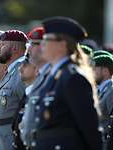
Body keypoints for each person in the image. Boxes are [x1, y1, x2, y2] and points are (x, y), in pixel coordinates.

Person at [31, 16, 102, 150]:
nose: (42, 44)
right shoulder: (55, 75)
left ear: (62, 44)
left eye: (47, 39)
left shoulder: (73, 77)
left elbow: (89, 126)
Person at [0, 30, 27, 150]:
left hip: (11, 138)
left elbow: (26, 108)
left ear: (15, 48)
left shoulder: (21, 71)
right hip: (1, 136)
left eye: (3, 45)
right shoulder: (11, 71)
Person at [19, 27, 50, 149]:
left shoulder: (53, 76)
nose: (29, 48)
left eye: (34, 44)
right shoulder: (41, 76)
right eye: (29, 44)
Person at [92, 53, 113, 150]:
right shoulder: (98, 90)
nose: (92, 72)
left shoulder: (111, 91)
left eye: (95, 69)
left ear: (105, 71)